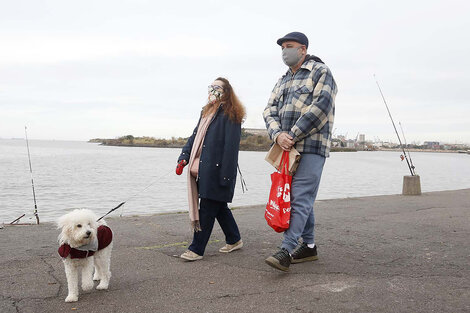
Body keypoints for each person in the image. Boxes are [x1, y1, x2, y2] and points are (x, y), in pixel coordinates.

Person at [263, 32, 337, 271]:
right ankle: (310, 246)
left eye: (289, 46)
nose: (285, 51)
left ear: (303, 49)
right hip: (287, 147)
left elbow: (322, 106)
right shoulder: (283, 79)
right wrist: (278, 135)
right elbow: (268, 110)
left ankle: (286, 249)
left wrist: (292, 134)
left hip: (312, 146)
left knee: (299, 197)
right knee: (301, 197)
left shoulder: (320, 72)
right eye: (283, 47)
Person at [176, 77, 246, 261]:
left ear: (226, 91)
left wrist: (226, 177)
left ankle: (196, 249)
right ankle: (234, 239)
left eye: (218, 87)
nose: (213, 90)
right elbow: (194, 138)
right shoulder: (206, 112)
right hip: (204, 169)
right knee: (219, 207)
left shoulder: (232, 114)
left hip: (218, 171)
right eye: (211, 87)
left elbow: (231, 149)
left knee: (207, 208)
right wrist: (183, 157)